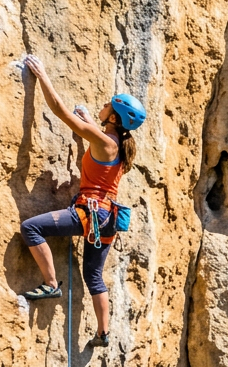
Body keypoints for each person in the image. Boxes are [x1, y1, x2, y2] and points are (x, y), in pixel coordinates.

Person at [17, 55, 146, 347]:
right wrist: (90, 119)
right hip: (107, 218)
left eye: (108, 105)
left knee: (30, 228)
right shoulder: (115, 144)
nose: (103, 104)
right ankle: (103, 334)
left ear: (113, 117)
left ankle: (51, 285)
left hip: (90, 213)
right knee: (93, 276)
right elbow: (97, 140)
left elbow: (61, 112)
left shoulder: (106, 142)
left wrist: (43, 76)